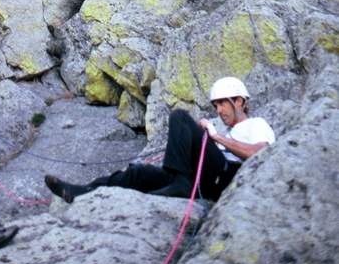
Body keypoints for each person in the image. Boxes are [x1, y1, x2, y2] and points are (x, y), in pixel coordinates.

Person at [45, 77, 275, 203]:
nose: (219, 109)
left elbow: (259, 153)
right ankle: (82, 192)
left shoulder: (257, 125)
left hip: (227, 176)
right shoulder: (226, 134)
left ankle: (182, 184)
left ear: (239, 102)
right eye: (215, 105)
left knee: (180, 117)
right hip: (205, 179)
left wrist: (214, 137)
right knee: (139, 173)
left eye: (223, 103)